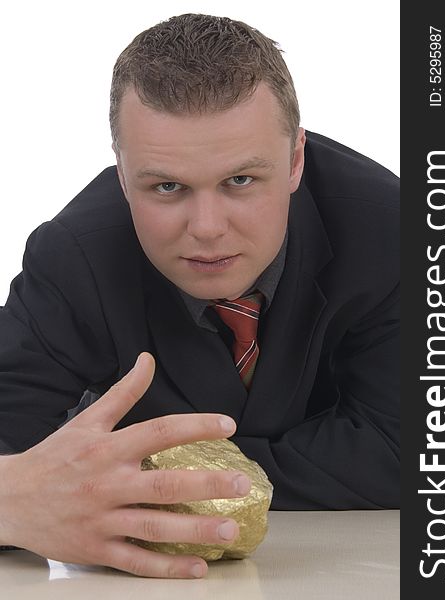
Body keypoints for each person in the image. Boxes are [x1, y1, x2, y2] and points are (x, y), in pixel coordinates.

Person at [0, 13, 399, 578]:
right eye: (167, 186)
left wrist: (126, 482)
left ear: (295, 161)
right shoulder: (73, 255)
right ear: (121, 176)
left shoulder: (400, 235)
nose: (207, 228)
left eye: (240, 180)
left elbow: (414, 452)